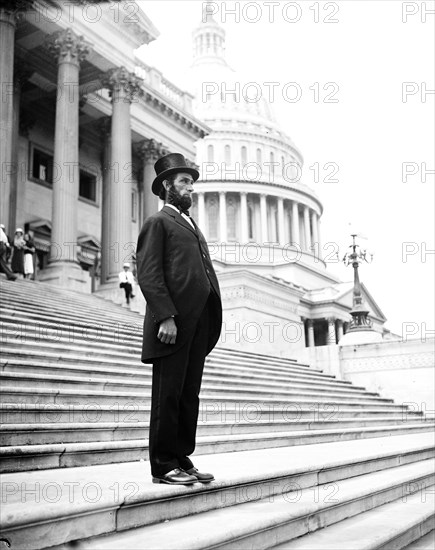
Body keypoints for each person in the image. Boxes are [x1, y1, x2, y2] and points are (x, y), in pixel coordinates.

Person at [136, 153, 222, 486]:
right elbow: (149, 273)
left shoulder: (190, 224)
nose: (190, 188)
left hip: (198, 321)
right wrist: (165, 317)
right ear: (167, 186)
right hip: (172, 324)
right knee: (167, 395)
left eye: (191, 182)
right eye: (184, 182)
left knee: (189, 395)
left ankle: (182, 459)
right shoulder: (158, 222)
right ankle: (162, 464)